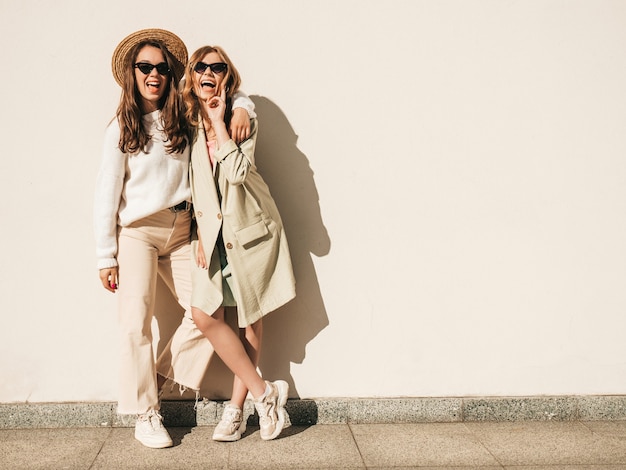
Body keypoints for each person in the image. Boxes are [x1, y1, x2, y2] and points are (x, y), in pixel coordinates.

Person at [94, 29, 254, 449]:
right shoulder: (120, 128)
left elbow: (222, 97)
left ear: (170, 76)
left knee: (208, 311)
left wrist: (246, 110)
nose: (154, 74)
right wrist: (104, 254)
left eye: (162, 68)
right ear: (132, 73)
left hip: (185, 230)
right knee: (135, 322)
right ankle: (146, 414)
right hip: (138, 233)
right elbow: (106, 193)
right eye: (145, 67)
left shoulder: (181, 116)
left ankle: (157, 378)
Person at [181, 45, 296, 442]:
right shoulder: (190, 122)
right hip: (213, 238)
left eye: (218, 67)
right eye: (202, 67)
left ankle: (235, 410)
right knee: (205, 314)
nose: (209, 72)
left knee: (249, 318)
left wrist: (224, 121)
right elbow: (195, 185)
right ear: (193, 76)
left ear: (227, 77)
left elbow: (238, 173)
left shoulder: (240, 119)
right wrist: (197, 233)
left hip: (250, 234)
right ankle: (266, 394)